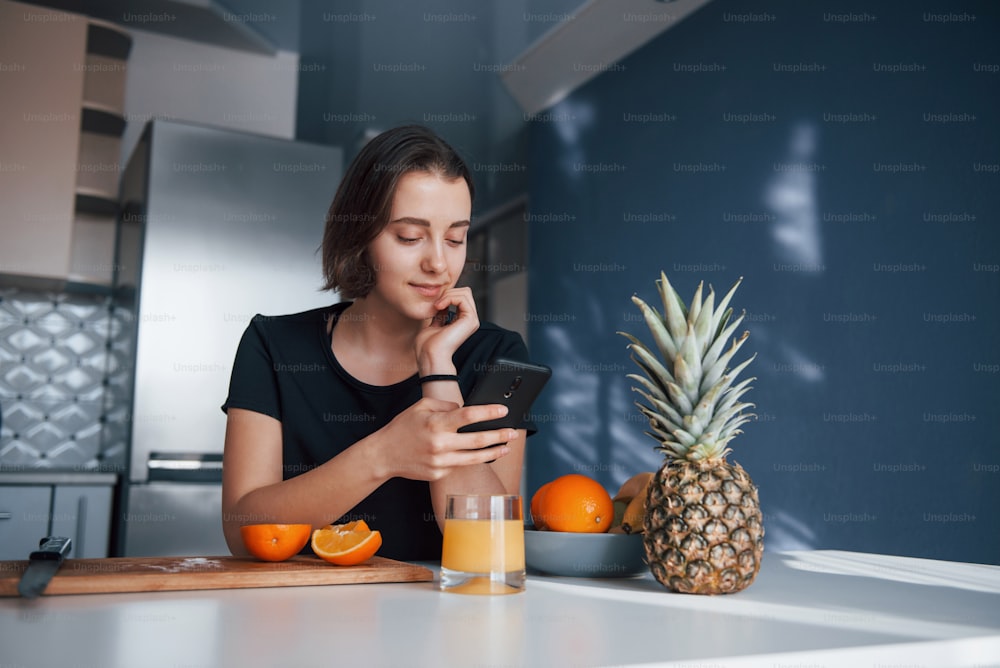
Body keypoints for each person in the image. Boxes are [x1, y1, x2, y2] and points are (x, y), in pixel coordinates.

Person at [220, 125, 536, 560]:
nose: (439, 263)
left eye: (455, 238)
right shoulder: (274, 346)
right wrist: (385, 454)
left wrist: (438, 366)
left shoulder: (498, 358)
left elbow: (491, 543)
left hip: (442, 619)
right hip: (299, 616)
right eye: (409, 236)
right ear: (360, 236)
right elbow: (244, 531)